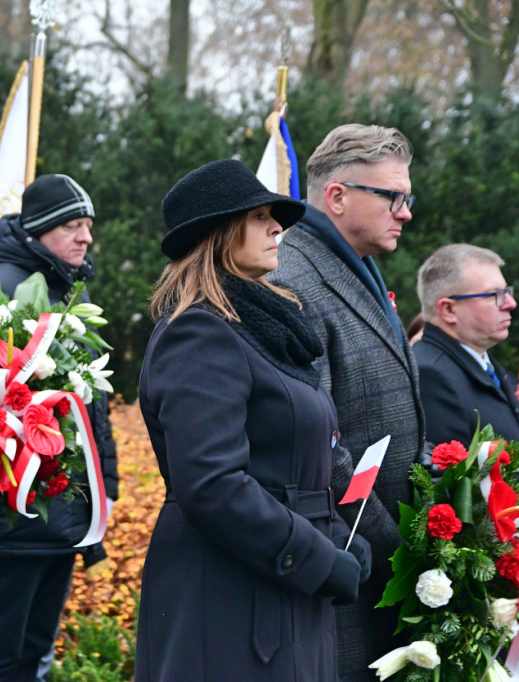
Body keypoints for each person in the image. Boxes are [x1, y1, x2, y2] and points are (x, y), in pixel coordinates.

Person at [136, 159, 366, 681]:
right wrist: (319, 559)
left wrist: (339, 540)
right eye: (259, 216)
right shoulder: (198, 333)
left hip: (278, 584)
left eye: (274, 216)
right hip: (230, 597)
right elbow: (213, 485)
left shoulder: (262, 326)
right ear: (217, 232)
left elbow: (298, 462)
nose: (277, 227)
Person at [267, 123, 426, 680]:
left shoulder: (354, 264)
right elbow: (321, 444)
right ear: (337, 196)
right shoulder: (294, 278)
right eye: (393, 197)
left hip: (379, 566)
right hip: (351, 568)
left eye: (407, 198)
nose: (405, 212)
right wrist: (401, 551)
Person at [0, 173, 119, 682]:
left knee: (34, 657)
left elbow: (92, 408)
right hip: (15, 517)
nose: (85, 236)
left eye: (88, 225)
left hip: (58, 515)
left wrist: (103, 488)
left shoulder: (65, 292)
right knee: (4, 661)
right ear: (39, 231)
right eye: (71, 224)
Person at [414, 244, 519, 514]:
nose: (510, 303)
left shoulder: (480, 363)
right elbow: (457, 498)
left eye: (507, 292)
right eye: (495, 295)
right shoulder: (432, 375)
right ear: (448, 310)